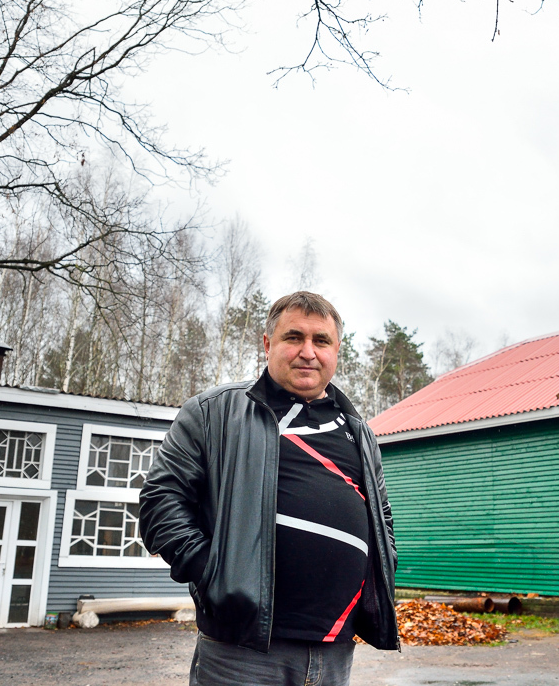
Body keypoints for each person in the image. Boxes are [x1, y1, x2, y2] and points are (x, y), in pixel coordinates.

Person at [139, 291, 399, 686]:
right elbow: (161, 501)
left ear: (337, 351)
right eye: (294, 337)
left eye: (321, 340)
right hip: (241, 654)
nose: (308, 352)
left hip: (335, 651)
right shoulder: (214, 412)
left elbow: (383, 520)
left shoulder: (358, 433)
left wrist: (382, 570)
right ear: (267, 344)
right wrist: (214, 573)